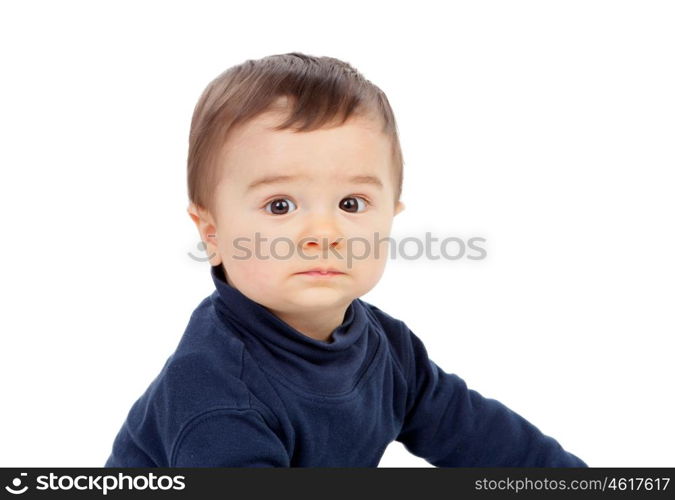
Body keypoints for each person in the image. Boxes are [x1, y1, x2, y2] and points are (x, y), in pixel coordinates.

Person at [104, 52, 587, 467]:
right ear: (213, 234)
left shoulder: (387, 349)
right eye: (280, 206)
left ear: (391, 217)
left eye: (352, 204)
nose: (324, 234)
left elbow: (484, 438)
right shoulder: (218, 394)